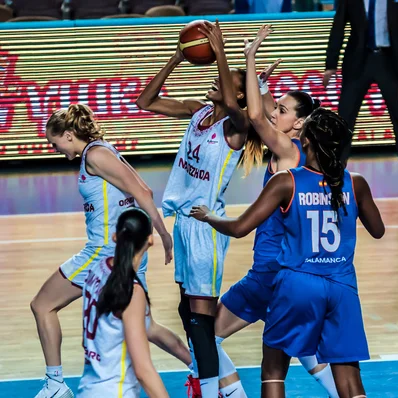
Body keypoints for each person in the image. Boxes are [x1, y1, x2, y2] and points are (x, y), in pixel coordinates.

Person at [190, 108, 385, 398]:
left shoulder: (287, 181)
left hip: (298, 284)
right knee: (350, 382)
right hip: (342, 286)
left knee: (273, 372)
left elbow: (240, 227)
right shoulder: (355, 183)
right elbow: (378, 230)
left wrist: (209, 217)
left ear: (305, 142)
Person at [211, 25, 339, 398]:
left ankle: (233, 394)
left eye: (282, 110)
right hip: (296, 270)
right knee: (306, 350)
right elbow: (261, 107)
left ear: (298, 122)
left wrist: (249, 58)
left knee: (204, 335)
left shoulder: (287, 150)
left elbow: (253, 115)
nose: (274, 112)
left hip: (269, 272)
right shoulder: (305, 151)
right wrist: (262, 82)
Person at [136, 20, 261, 398]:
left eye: (230, 87)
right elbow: (146, 101)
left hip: (207, 226)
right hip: (184, 224)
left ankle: (210, 389)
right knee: (185, 310)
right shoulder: (198, 112)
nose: (218, 84)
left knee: (201, 319)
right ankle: (223, 385)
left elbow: (240, 111)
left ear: (238, 98)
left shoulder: (235, 130)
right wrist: (178, 56)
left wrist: (221, 52)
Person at [32, 104, 173, 398]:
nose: (53, 148)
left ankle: (55, 384)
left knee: (42, 305)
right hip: (120, 250)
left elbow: (143, 192)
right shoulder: (98, 150)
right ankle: (201, 367)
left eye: (53, 142)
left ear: (69, 135)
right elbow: (139, 188)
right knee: (145, 325)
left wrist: (162, 232)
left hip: (104, 254)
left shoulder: (95, 155)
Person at [78, 207, 191, 398]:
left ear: (115, 237)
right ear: (150, 240)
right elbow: (143, 371)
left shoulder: (98, 270)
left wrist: (194, 363)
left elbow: (151, 329)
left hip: (88, 390)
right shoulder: (132, 291)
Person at [324, 0, 398, 191]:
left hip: (391, 62)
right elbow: (338, 25)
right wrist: (331, 64)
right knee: (344, 120)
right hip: (358, 61)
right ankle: (334, 176)